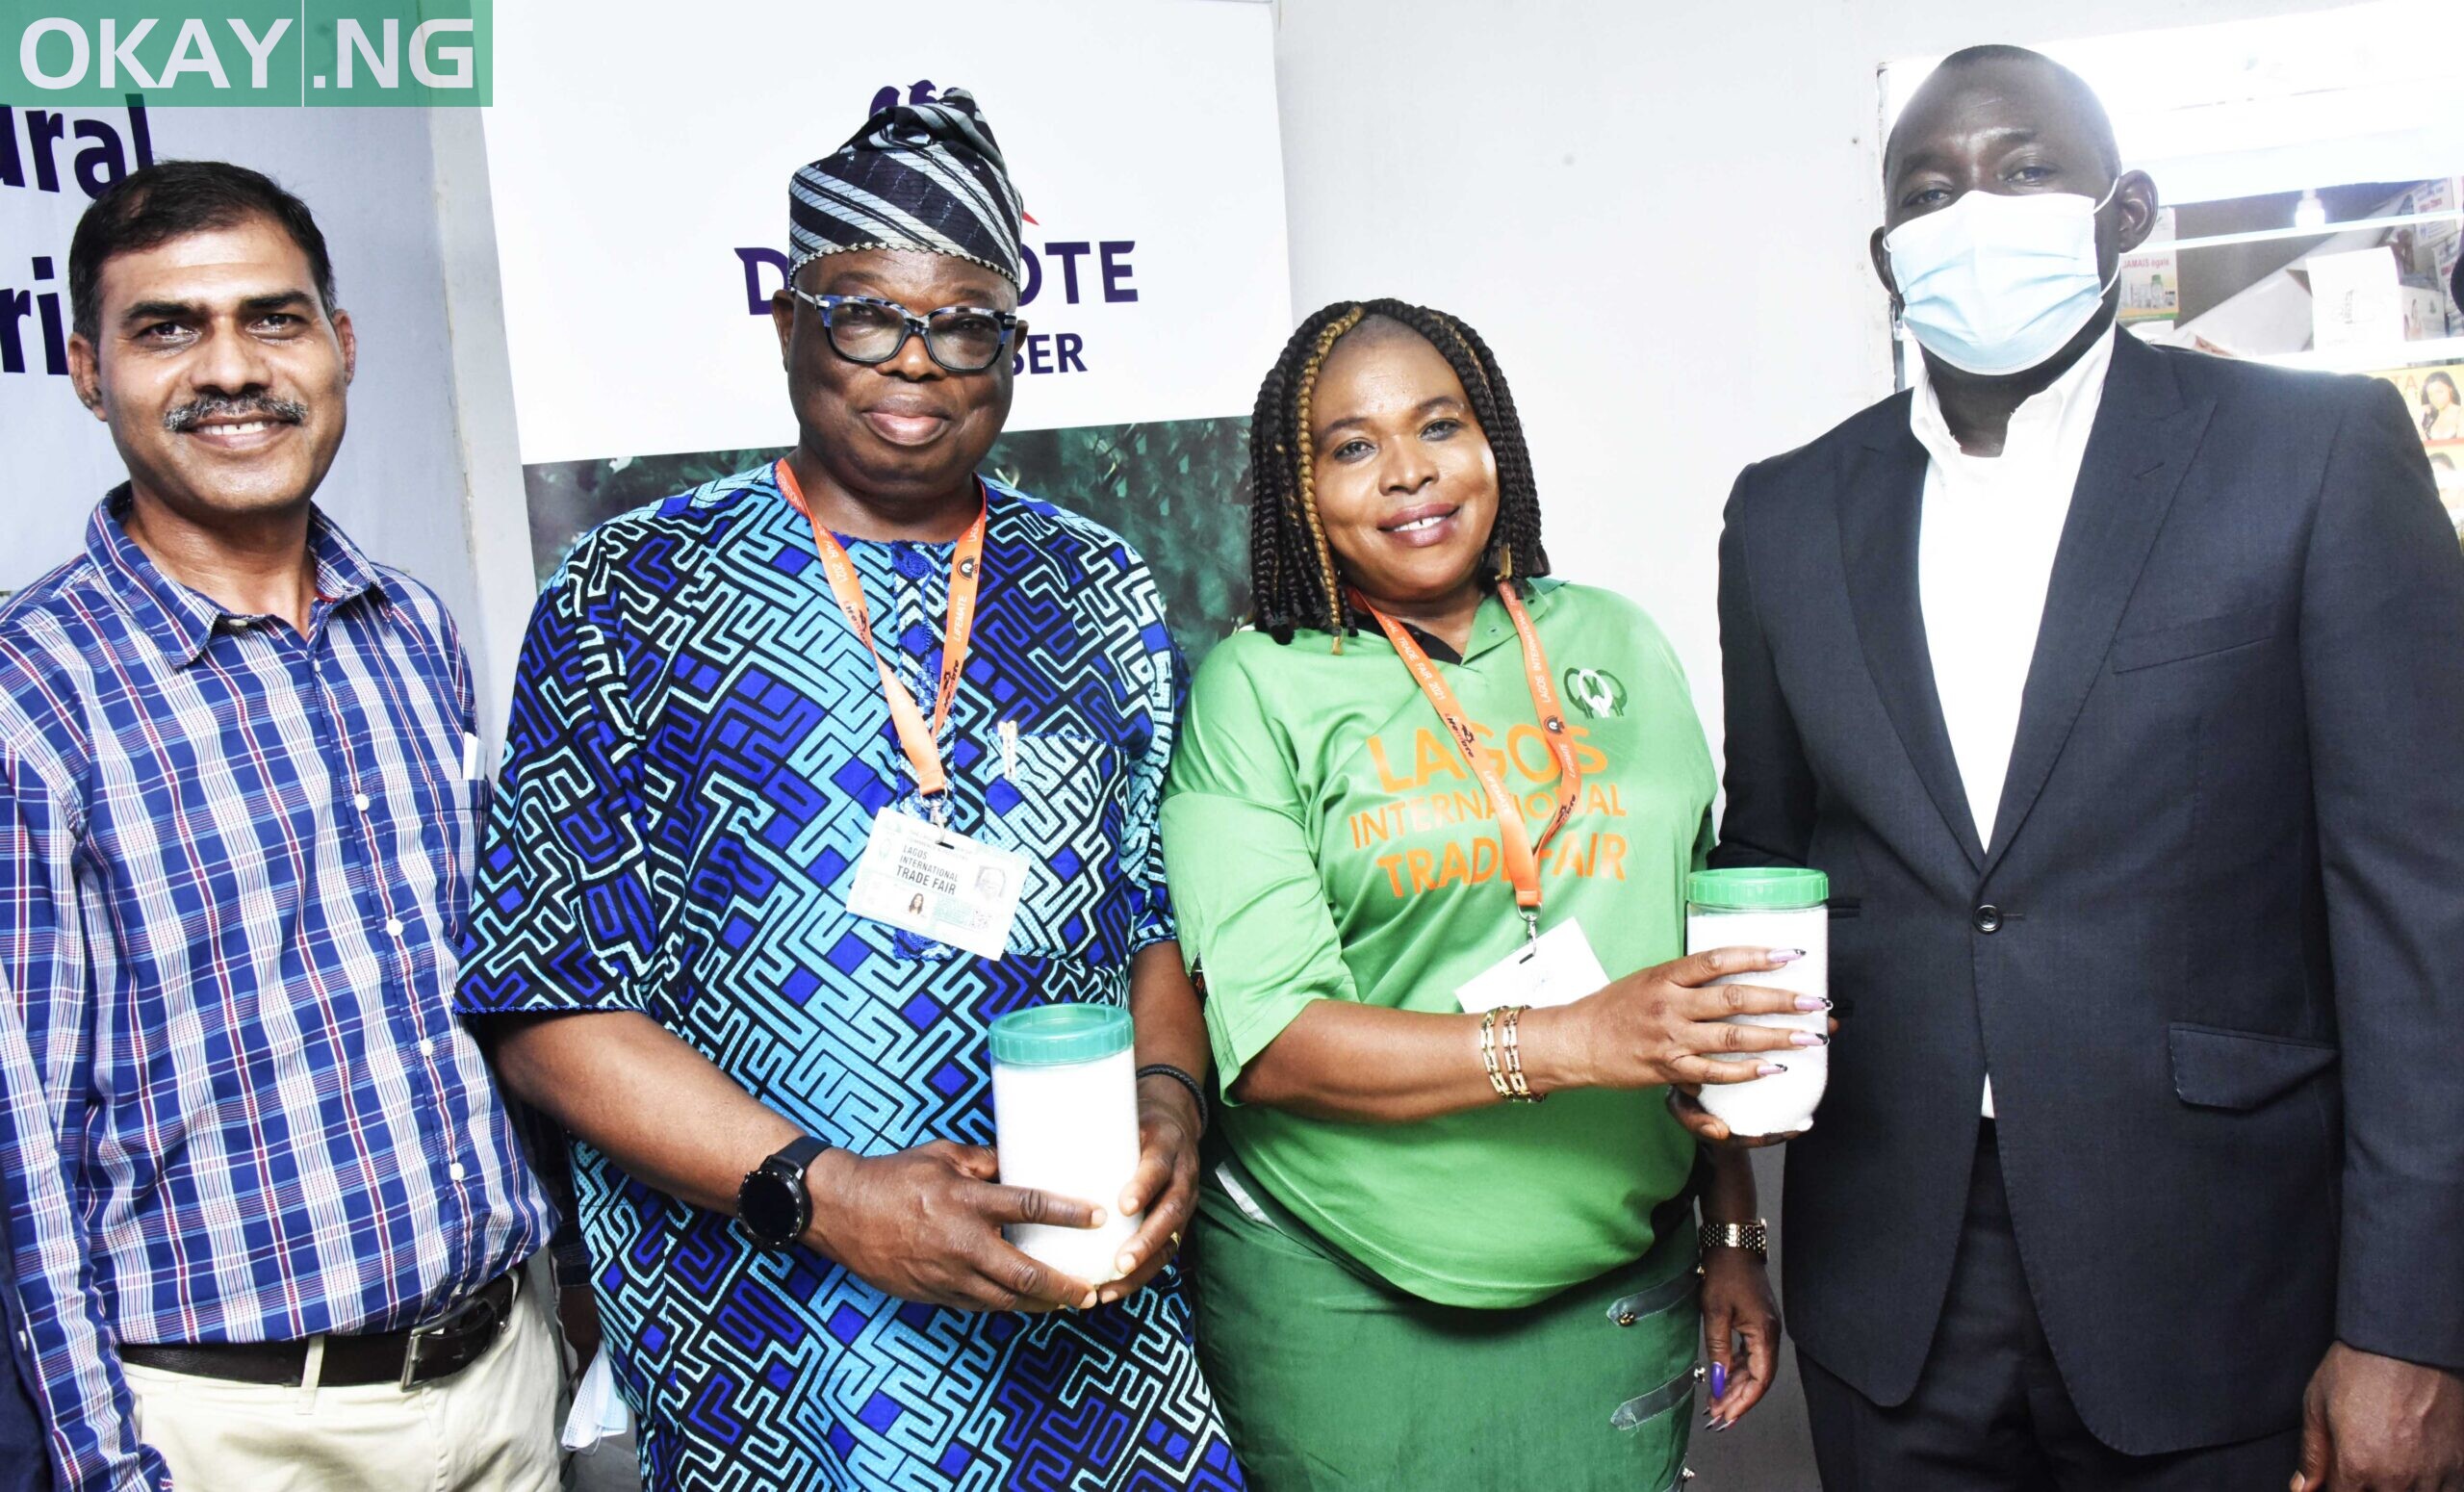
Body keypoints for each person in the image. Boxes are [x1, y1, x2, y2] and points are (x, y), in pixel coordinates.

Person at [456, 90, 1243, 1491]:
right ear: (789, 324)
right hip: (787, 1351)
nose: (917, 362)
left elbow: (1146, 924)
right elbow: (545, 1002)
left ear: (1013, 343)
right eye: (864, 312)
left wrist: (1174, 1101)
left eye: (965, 323)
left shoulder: (1097, 585)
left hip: (1085, 1333)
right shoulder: (633, 591)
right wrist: (832, 1197)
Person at [1708, 44, 2464, 1491]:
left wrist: (2414, 1321)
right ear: (1889, 254)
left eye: (2027, 169)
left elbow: (2425, 911)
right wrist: (1724, 1163)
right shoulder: (1789, 513)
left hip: (2226, 1274)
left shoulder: (2310, 456)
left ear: (2127, 213)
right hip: (1897, 1285)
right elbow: (1770, 856)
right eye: (1930, 190)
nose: (1977, 209)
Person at [1161, 299, 1813, 1490]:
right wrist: (1574, 1036)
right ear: (1295, 485)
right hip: (1346, 1292)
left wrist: (1730, 1230)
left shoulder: (1619, 639)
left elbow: (1695, 975)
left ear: (1493, 440)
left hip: (1619, 1282)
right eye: (1350, 446)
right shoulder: (1257, 686)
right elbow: (1270, 1046)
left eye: (1438, 425)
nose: (1408, 472)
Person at [0, 161, 561, 1490]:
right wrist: (103, 1466)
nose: (233, 367)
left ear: (342, 344)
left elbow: (486, 1004)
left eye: (274, 317)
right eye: (167, 328)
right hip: (227, 1431)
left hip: (498, 1385)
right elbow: (18, 1152)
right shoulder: (29, 694)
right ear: (86, 368)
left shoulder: (414, 628)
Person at [2421, 370, 2462, 442]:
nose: (2435, 398)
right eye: (2431, 394)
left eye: (2439, 392)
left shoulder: (2460, 414)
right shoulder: (2429, 418)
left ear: (2450, 389)